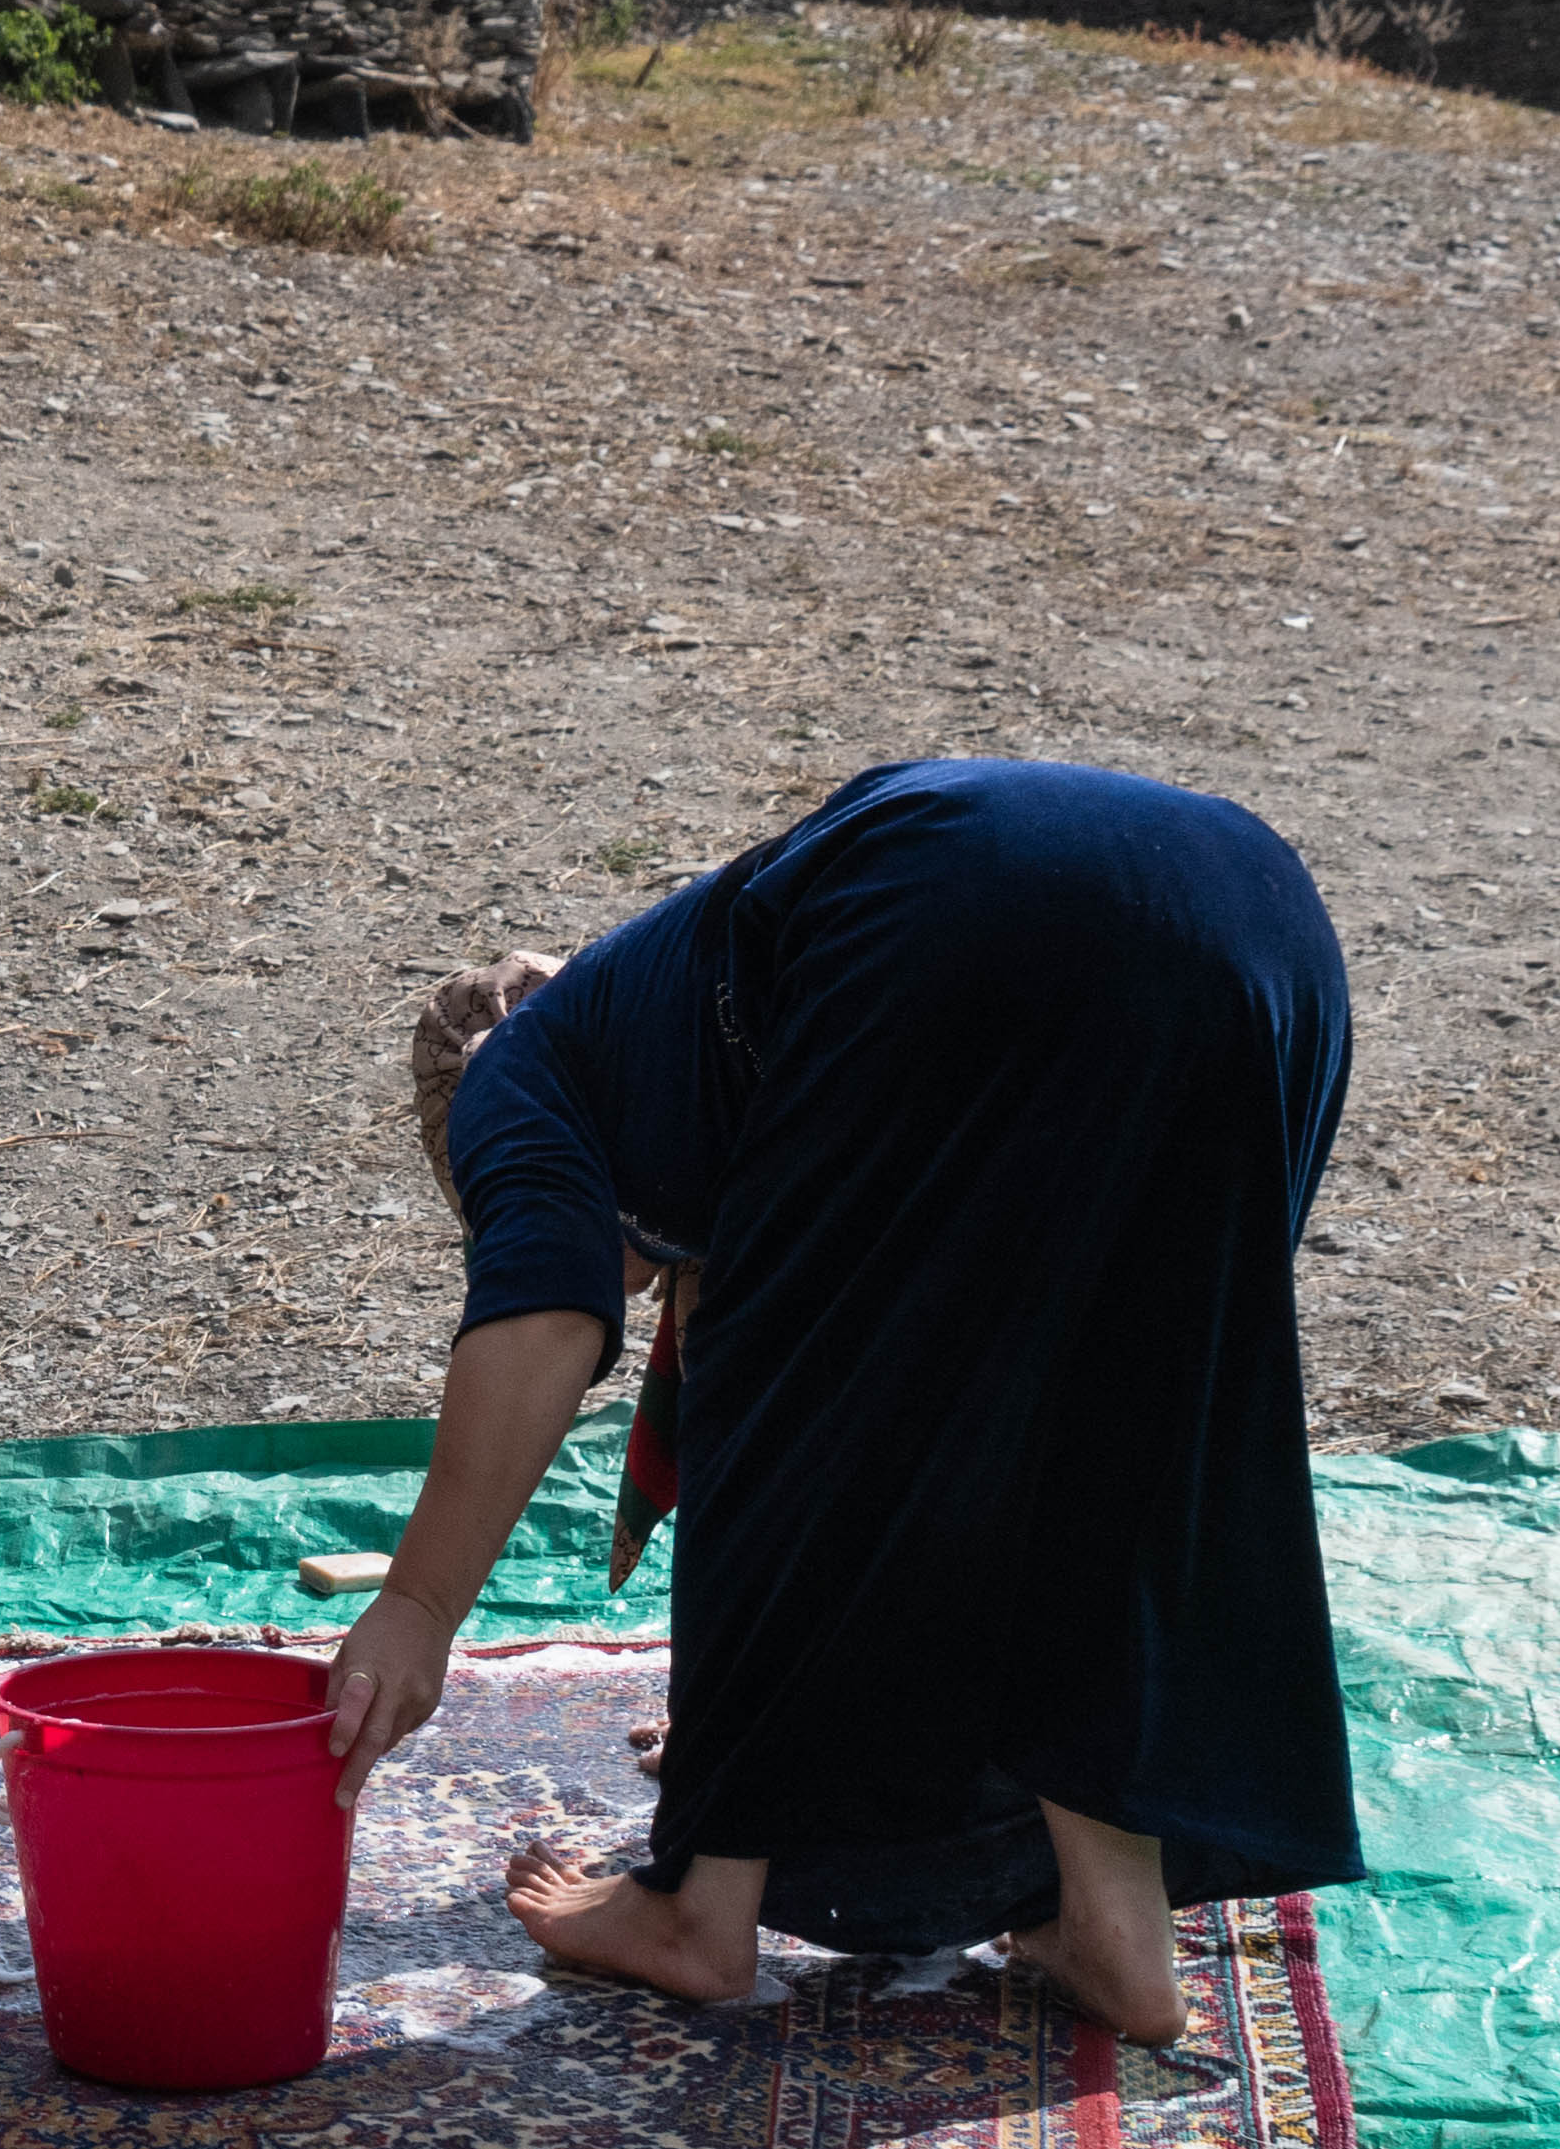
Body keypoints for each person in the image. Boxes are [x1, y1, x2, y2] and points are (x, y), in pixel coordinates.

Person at [323, 757, 1361, 2046]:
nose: (638, 1284)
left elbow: (545, 1317)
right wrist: (749, 1712)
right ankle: (1114, 1927)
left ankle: (695, 1909)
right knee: (1095, 1427)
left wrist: (417, 1603)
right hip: (1268, 932)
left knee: (772, 1397)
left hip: (974, 909)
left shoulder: (522, 1078)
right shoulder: (696, 1017)